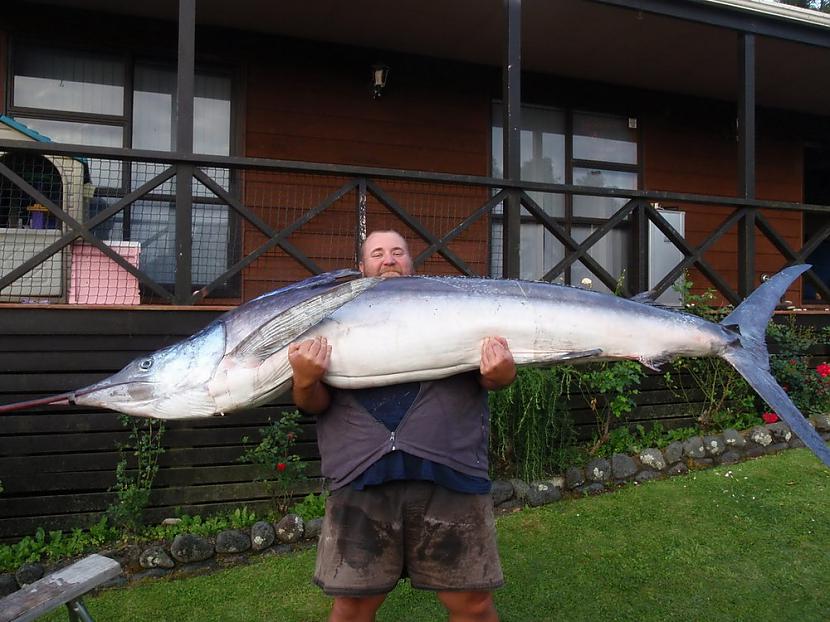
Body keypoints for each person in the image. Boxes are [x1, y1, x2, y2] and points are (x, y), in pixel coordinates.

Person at [288, 230, 516, 622]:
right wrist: (305, 379)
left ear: (411, 263)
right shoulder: (330, 319)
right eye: (377, 253)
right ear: (362, 268)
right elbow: (314, 403)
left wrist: (503, 373)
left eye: (398, 252)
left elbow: (489, 379)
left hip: (451, 475)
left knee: (472, 605)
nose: (388, 259)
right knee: (351, 607)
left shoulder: (451, 308)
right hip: (362, 478)